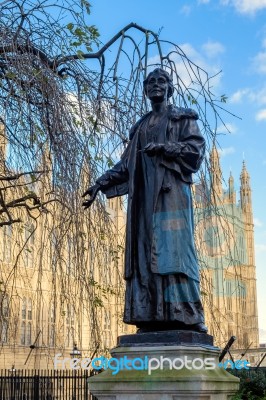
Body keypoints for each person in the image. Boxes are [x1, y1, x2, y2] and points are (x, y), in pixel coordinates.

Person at [83, 68, 207, 333]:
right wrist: (100, 183)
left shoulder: (182, 118)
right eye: (150, 83)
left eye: (161, 81)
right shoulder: (140, 127)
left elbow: (195, 152)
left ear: (170, 87)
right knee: (144, 257)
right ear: (145, 90)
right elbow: (126, 164)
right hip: (143, 202)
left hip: (170, 198)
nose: (156, 86)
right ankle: (150, 315)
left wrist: (165, 148)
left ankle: (187, 315)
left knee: (174, 254)